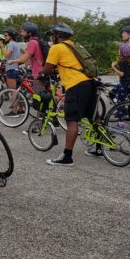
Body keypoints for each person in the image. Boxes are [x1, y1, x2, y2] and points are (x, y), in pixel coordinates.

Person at [41, 23, 96, 166]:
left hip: (75, 85)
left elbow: (47, 69)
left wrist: (41, 73)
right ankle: (99, 147)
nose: (52, 38)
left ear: (57, 36)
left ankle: (67, 156)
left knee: (72, 120)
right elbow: (69, 65)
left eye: (53, 35)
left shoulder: (57, 48)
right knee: (93, 117)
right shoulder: (76, 46)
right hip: (90, 82)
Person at [1, 27, 23, 113]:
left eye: (6, 35)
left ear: (11, 36)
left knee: (13, 90)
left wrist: (2, 47)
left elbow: (6, 55)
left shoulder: (10, 44)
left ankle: (14, 110)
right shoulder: (17, 44)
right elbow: (24, 52)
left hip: (10, 69)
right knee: (18, 90)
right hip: (17, 68)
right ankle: (21, 108)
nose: (4, 37)